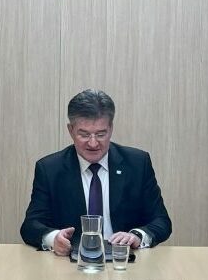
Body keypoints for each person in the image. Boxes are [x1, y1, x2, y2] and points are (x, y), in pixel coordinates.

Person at [20, 89, 172, 255]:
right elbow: (31, 226)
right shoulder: (50, 169)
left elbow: (161, 221)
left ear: (111, 129)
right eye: (84, 135)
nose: (93, 143)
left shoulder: (137, 164)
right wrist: (54, 238)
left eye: (100, 134)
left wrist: (137, 236)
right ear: (71, 130)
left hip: (124, 260)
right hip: (71, 261)